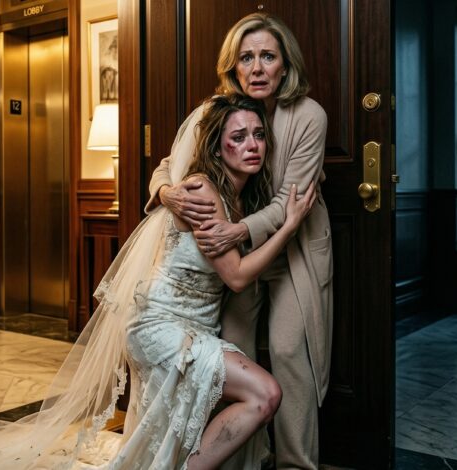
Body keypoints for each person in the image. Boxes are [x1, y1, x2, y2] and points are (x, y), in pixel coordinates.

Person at [0, 94, 314, 469]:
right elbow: (238, 277)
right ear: (216, 147)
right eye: (238, 137)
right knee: (265, 393)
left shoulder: (241, 197)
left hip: (192, 327)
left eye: (258, 135)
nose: (252, 145)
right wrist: (289, 226)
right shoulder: (203, 191)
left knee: (168, 440)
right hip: (161, 328)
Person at [146, 13, 333, 469]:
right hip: (237, 256)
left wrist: (239, 229)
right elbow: (168, 166)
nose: (257, 68)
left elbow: (290, 203)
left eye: (268, 56)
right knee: (233, 348)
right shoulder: (216, 110)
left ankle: (296, 464)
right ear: (233, 66)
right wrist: (167, 193)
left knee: (289, 351)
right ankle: (241, 461)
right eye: (246, 58)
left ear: (285, 65)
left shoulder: (310, 116)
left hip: (293, 245)